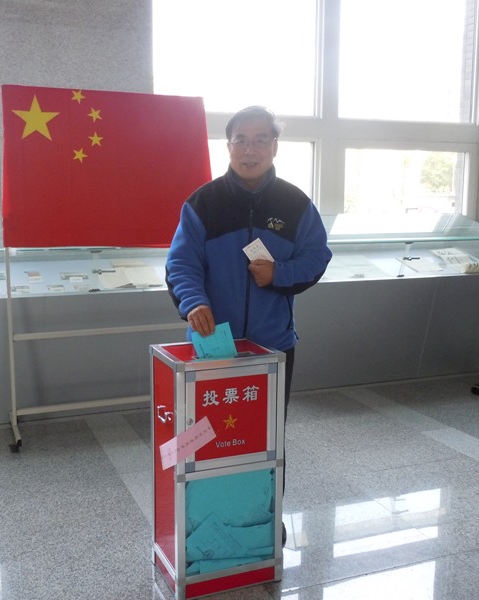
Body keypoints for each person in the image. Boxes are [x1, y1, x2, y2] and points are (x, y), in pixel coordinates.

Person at [165, 105, 332, 543]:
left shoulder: (296, 204)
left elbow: (317, 257)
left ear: (275, 146)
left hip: (272, 347)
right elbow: (181, 263)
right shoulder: (203, 203)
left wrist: (279, 273)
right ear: (228, 146)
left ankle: (264, 519)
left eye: (260, 140)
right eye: (241, 140)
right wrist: (193, 301)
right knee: (205, 434)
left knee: (266, 435)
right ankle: (205, 519)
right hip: (213, 345)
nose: (250, 149)